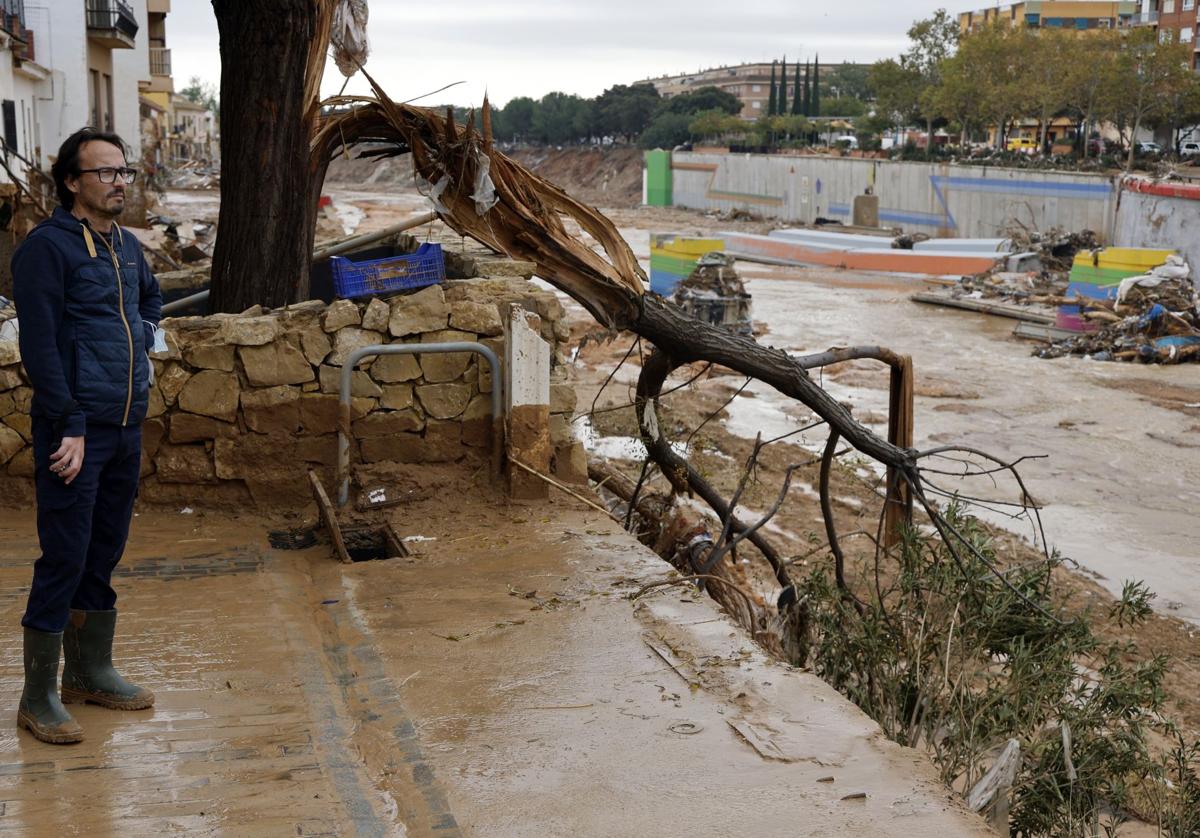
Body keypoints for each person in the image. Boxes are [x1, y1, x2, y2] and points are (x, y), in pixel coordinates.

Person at [12, 127, 162, 744]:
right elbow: (39, 346)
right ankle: (38, 694)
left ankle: (91, 671)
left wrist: (148, 330)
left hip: (125, 423)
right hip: (74, 431)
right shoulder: (46, 249)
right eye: (104, 172)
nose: (118, 181)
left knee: (104, 550)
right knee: (65, 555)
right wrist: (69, 424)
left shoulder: (126, 245)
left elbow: (150, 301)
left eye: (123, 171)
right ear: (72, 182)